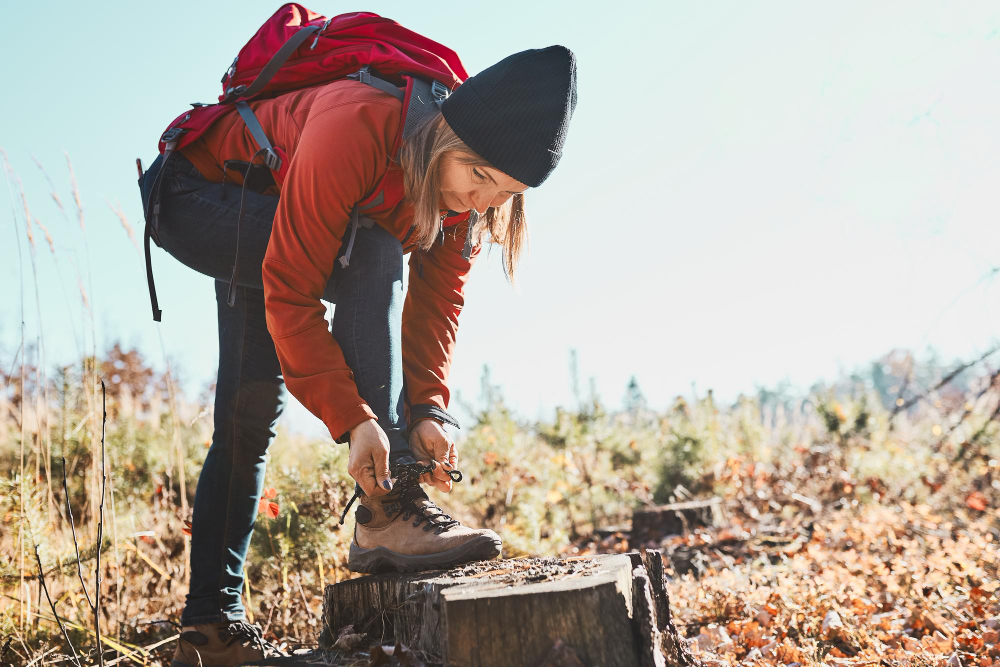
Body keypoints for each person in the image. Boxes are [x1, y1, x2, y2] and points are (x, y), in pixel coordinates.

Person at [143, 45, 577, 667]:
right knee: (370, 252)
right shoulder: (360, 123)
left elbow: (435, 305)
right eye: (479, 176)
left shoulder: (467, 199)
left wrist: (428, 407)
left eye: (504, 193)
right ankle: (387, 508)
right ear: (446, 135)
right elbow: (291, 292)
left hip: (276, 199)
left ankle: (209, 633)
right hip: (196, 192)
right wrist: (356, 420)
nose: (482, 201)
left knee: (249, 410)